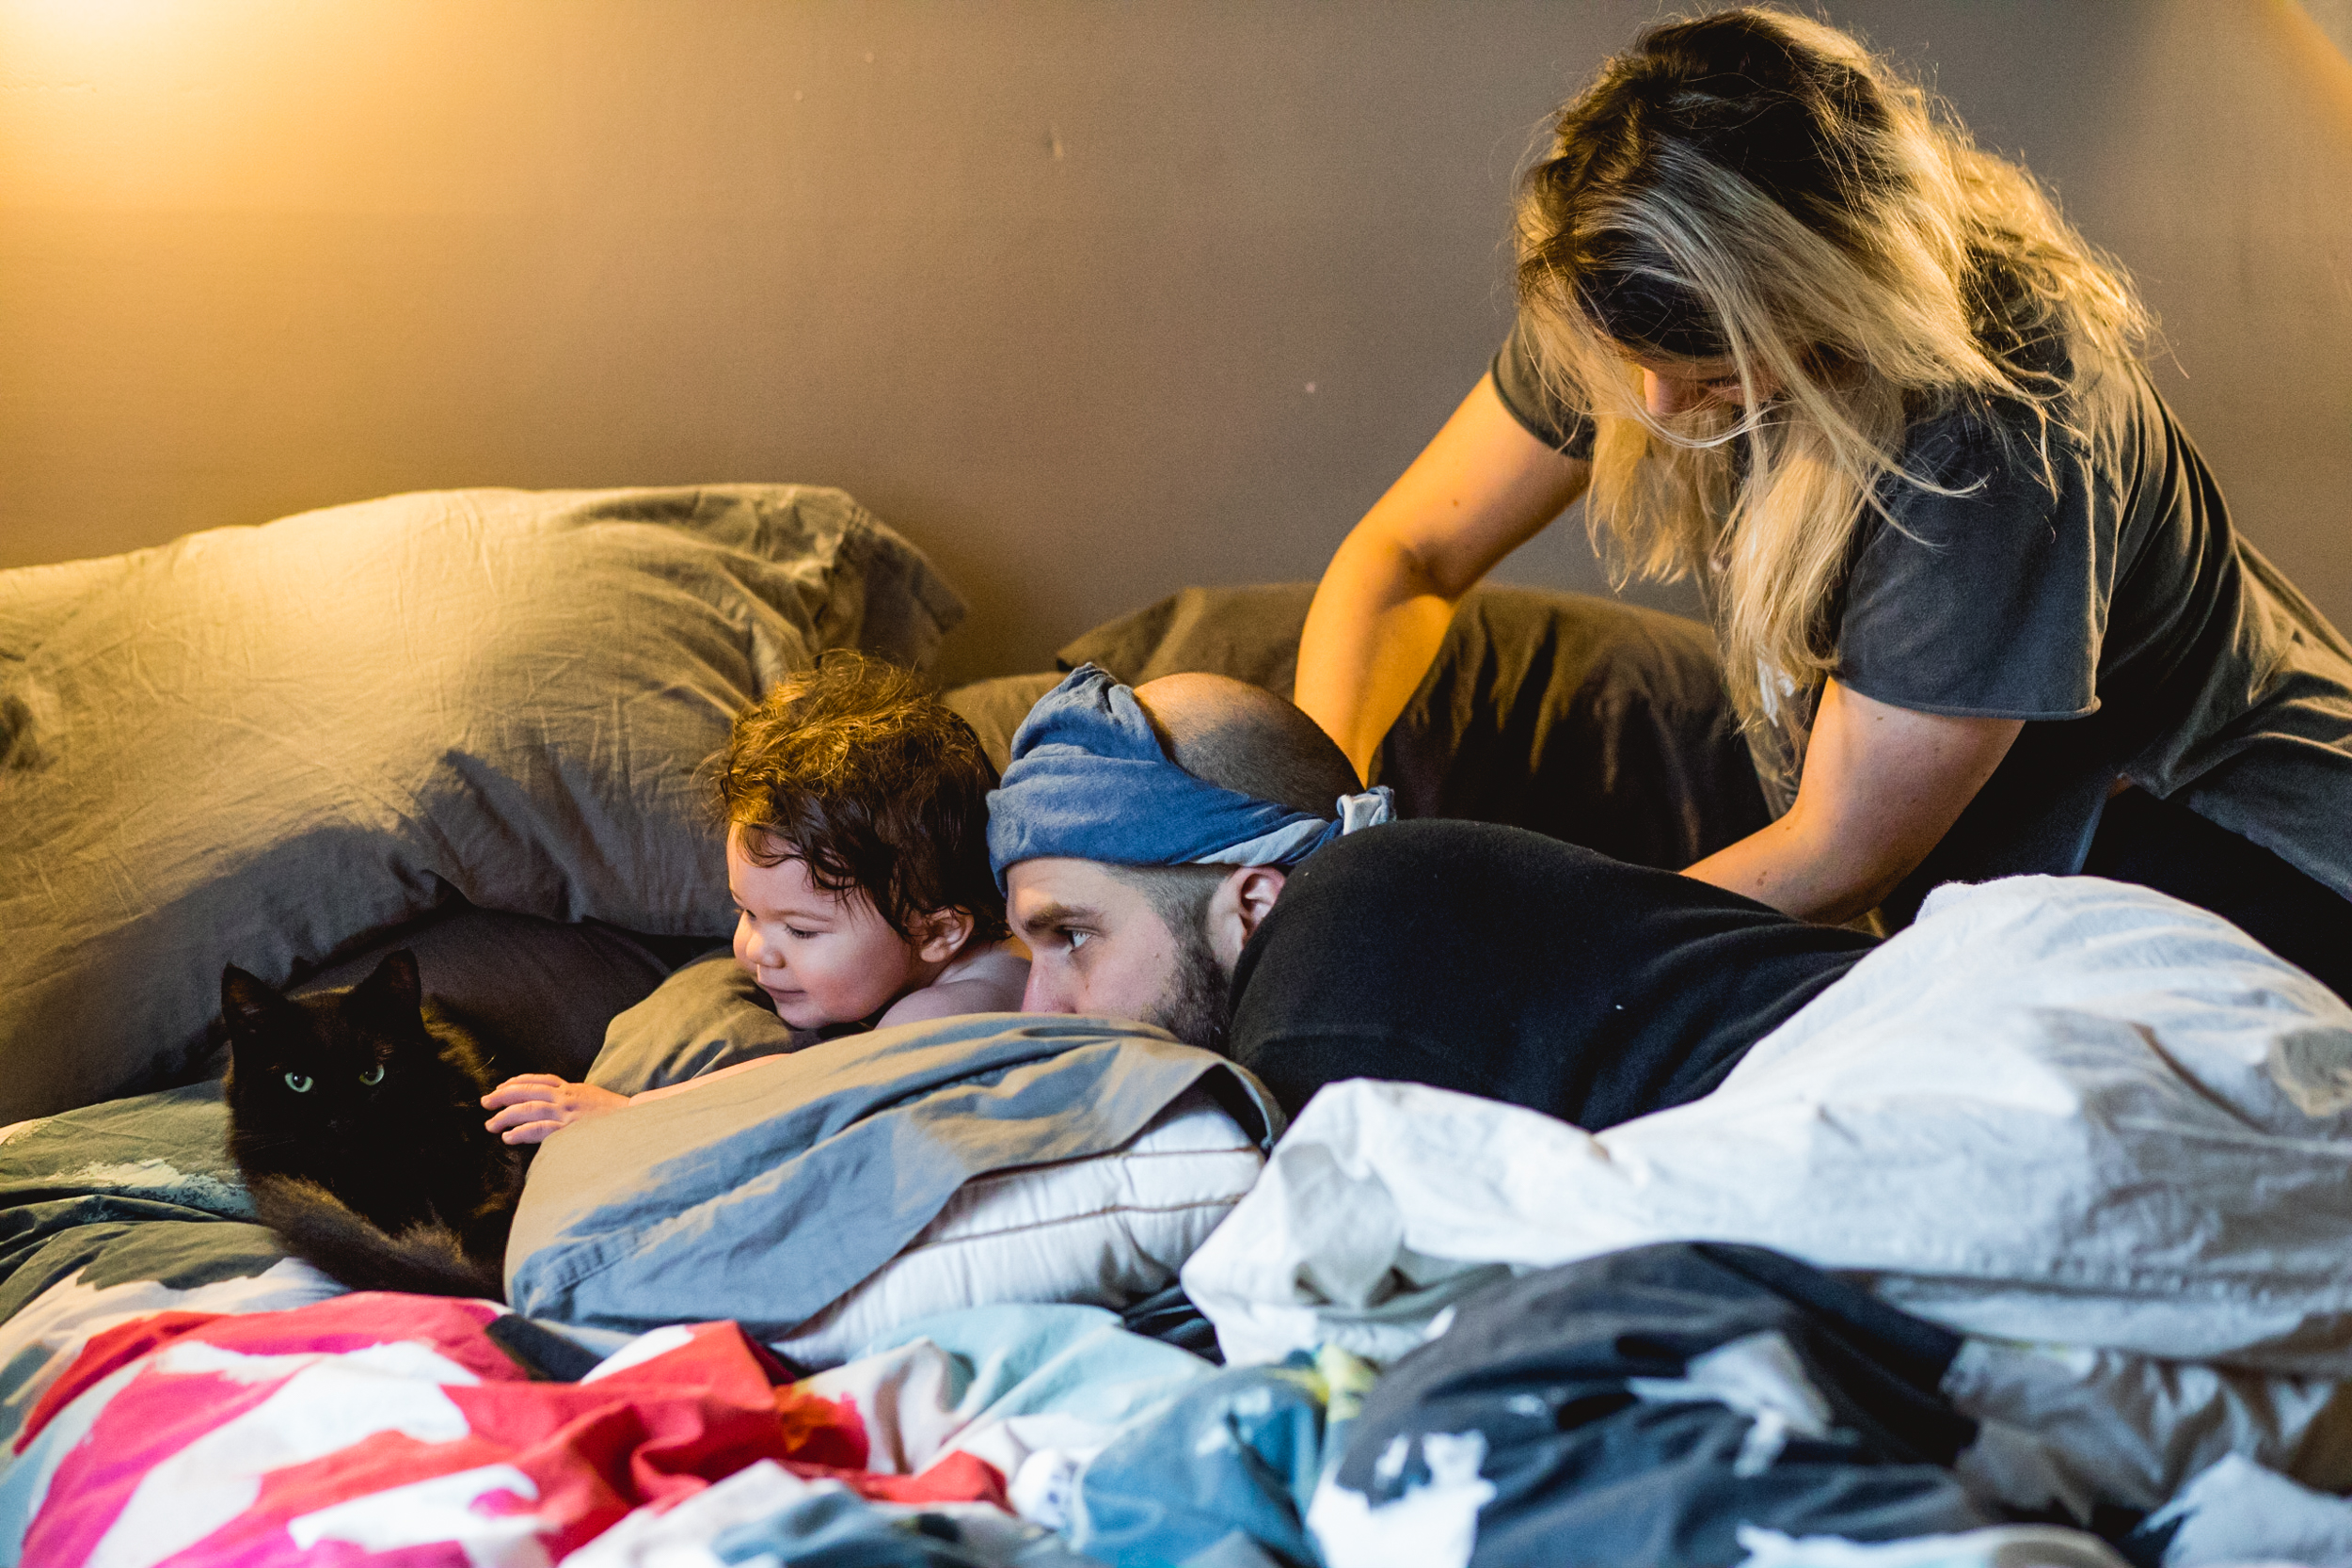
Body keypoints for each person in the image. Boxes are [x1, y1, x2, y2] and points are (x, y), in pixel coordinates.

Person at [1291, 8, 2352, 999]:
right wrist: (1299, 825)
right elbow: (1408, 554)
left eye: (1708, 361)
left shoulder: (1987, 434)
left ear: (1825, 292)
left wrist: (1530, 974)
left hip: (2215, 843)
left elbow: (1837, 854)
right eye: (1633, 361)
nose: (1655, 403)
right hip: (1899, 798)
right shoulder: (1626, 279)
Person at [991, 665, 1876, 1125]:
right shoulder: (1396, 921)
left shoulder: (1329, 957)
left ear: (1254, 905)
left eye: (1071, 934)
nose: (1041, 1005)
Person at [483, 655, 1028, 1144]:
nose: (755, 950)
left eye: (802, 930)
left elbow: (802, 1089)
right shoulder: (929, 963)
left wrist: (630, 1110)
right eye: (747, 911)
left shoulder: (952, 1007)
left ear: (935, 931)